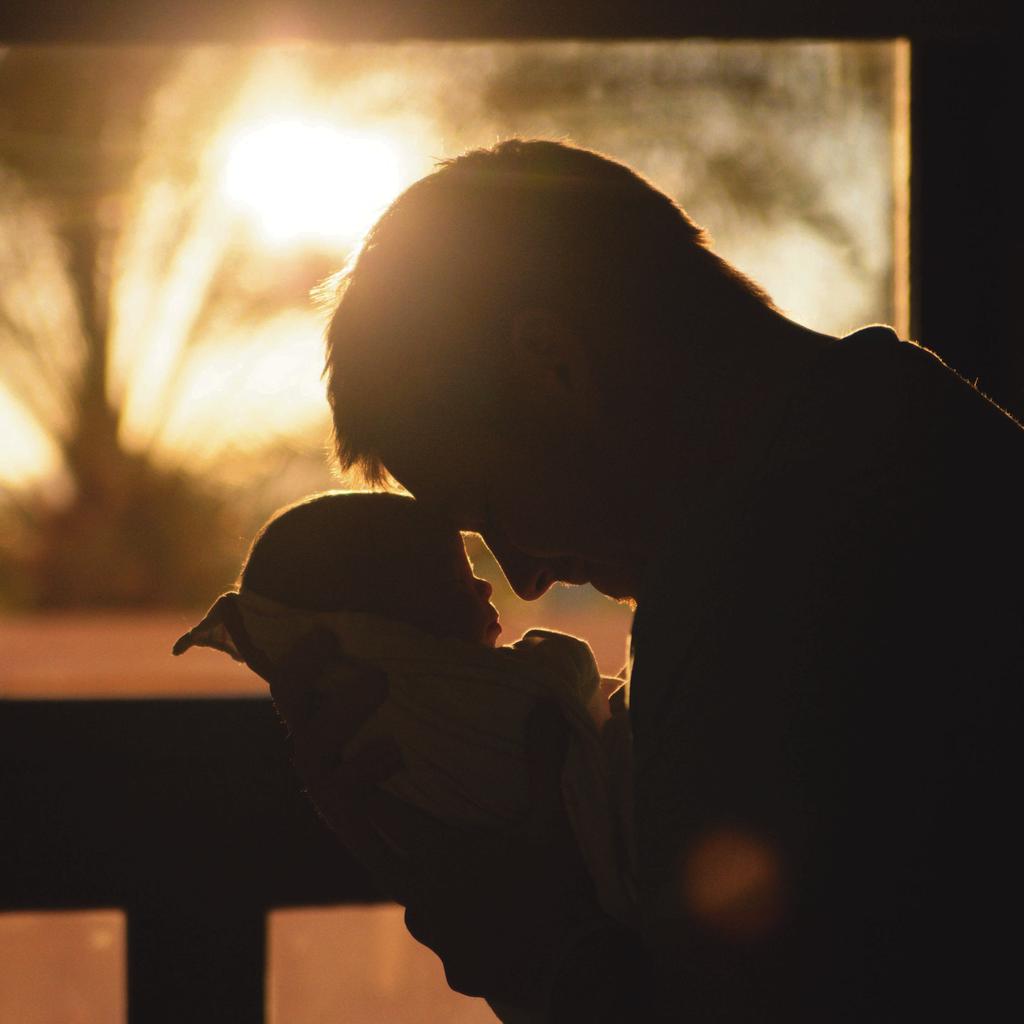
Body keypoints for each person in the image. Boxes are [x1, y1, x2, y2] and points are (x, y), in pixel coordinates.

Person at [272, 139, 1023, 1020]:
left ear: (553, 363)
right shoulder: (924, 433)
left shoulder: (752, 586)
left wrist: (516, 935)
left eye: (490, 505)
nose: (523, 575)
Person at [172, 490, 636, 940]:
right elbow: (565, 681)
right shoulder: (463, 709)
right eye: (455, 580)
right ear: (383, 635)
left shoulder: (365, 746)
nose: (491, 584)